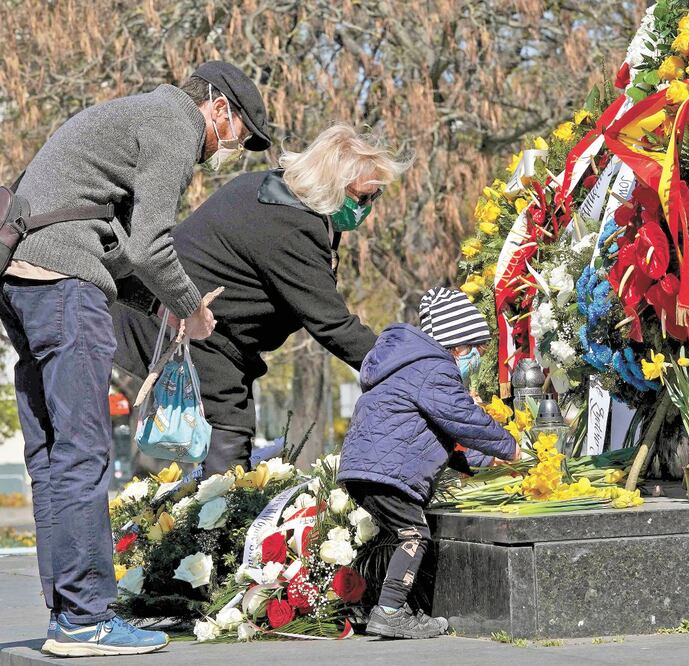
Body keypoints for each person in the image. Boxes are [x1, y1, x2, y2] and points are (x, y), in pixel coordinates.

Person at [0, 61, 270, 657]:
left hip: (23, 285)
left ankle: (68, 613)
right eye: (241, 136)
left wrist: (160, 307)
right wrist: (191, 307)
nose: (233, 150)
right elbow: (150, 242)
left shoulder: (133, 117)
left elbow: (113, 242)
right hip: (67, 288)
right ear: (218, 108)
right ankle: (85, 621)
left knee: (52, 456)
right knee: (83, 451)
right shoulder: (174, 123)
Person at [113, 123, 410, 475]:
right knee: (229, 431)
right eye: (363, 197)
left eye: (375, 197)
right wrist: (406, 367)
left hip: (199, 329)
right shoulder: (289, 222)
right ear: (333, 183)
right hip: (182, 323)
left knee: (228, 431)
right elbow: (331, 323)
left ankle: (211, 510)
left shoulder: (283, 196)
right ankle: (216, 519)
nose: (368, 207)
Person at [337, 287, 520, 639]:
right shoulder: (433, 368)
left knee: (398, 535)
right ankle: (390, 611)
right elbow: (463, 418)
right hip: (386, 473)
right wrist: (510, 447)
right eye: (477, 348)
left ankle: (385, 603)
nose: (480, 356)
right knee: (413, 534)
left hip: (364, 470)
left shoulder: (403, 370)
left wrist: (484, 459)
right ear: (457, 346)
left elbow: (437, 435)